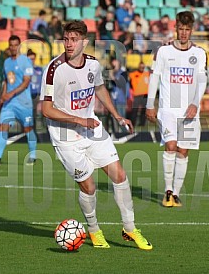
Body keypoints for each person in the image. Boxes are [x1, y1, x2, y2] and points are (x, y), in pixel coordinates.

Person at [40, 20, 152, 250]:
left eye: (74, 39)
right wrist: (80, 120)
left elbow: (99, 88)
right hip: (66, 137)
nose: (69, 44)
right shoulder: (54, 69)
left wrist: (117, 115)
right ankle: (93, 230)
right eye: (66, 39)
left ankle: (130, 228)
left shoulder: (92, 64)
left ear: (84, 42)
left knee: (119, 175)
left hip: (92, 128)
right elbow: (46, 109)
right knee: (89, 187)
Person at [146, 11, 207, 207]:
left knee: (183, 151)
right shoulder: (164, 51)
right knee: (171, 145)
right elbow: (154, 77)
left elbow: (202, 80)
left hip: (189, 110)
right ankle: (168, 191)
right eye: (181, 29)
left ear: (192, 30)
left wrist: (195, 103)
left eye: (187, 29)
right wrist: (149, 104)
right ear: (176, 28)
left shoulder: (199, 53)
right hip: (168, 109)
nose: (183, 33)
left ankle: (177, 194)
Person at [0, 35, 37, 166]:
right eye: (11, 45)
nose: (13, 47)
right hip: (10, 104)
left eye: (15, 45)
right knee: (3, 126)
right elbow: (7, 80)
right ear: (9, 46)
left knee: (28, 129)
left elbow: (26, 82)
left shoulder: (25, 61)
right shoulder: (7, 62)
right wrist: (3, 94)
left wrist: (10, 93)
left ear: (19, 46)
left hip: (24, 103)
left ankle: (33, 156)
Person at [129, 61, 149, 126]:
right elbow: (130, 84)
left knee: (144, 111)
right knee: (135, 110)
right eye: (141, 66)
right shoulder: (133, 74)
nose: (142, 68)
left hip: (145, 95)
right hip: (137, 95)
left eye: (143, 67)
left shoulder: (147, 74)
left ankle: (142, 124)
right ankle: (133, 123)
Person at [27, 49, 43, 130]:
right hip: (28, 94)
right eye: (30, 59)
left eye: (33, 59)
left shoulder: (39, 69)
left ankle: (38, 130)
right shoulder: (24, 70)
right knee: (30, 113)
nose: (32, 61)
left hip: (37, 94)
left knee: (38, 113)